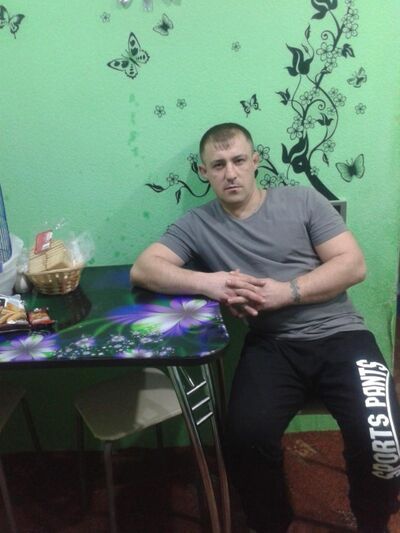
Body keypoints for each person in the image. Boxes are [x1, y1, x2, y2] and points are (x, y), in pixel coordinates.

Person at [131, 123, 400, 532]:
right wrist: (211, 283)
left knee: (381, 439)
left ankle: (373, 522)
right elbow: (144, 269)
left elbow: (353, 265)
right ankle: (271, 523)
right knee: (244, 438)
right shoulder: (197, 224)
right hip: (272, 345)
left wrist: (286, 292)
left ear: (255, 161)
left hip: (342, 337)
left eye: (239, 160)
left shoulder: (302, 200)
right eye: (218, 165)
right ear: (204, 172)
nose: (231, 173)